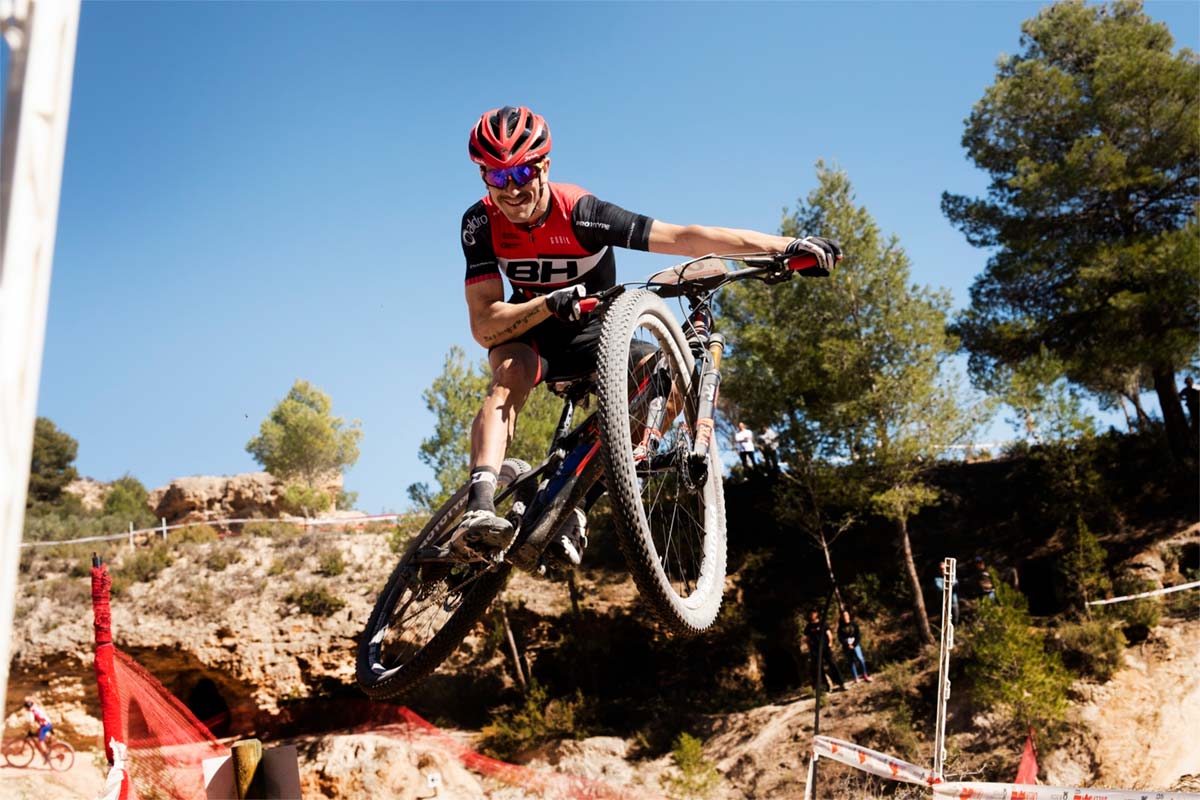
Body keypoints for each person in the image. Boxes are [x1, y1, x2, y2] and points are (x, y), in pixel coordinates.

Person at [457, 105, 842, 562]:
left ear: (544, 166)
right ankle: (478, 508)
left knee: (671, 376)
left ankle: (580, 498)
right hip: (532, 333)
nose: (513, 188)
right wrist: (546, 304)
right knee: (509, 370)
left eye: (521, 171)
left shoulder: (580, 212)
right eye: (498, 178)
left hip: (598, 334)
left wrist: (785, 245)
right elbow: (485, 325)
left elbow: (685, 238)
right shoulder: (480, 222)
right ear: (484, 178)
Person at [803, 610, 846, 693]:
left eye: (813, 613)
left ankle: (841, 683)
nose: (812, 615)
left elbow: (829, 634)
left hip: (825, 648)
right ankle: (827, 686)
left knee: (832, 664)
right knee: (819, 669)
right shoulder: (809, 627)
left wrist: (830, 643)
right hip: (815, 651)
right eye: (810, 614)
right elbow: (807, 639)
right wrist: (810, 649)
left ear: (816, 614)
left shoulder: (822, 623)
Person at [837, 609, 872, 684]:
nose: (845, 617)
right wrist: (847, 644)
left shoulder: (854, 624)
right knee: (851, 662)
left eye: (846, 615)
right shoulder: (840, 627)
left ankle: (865, 674)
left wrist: (854, 644)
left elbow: (858, 635)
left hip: (855, 645)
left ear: (848, 615)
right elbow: (840, 638)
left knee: (860, 659)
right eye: (843, 616)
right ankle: (856, 677)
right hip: (847, 647)